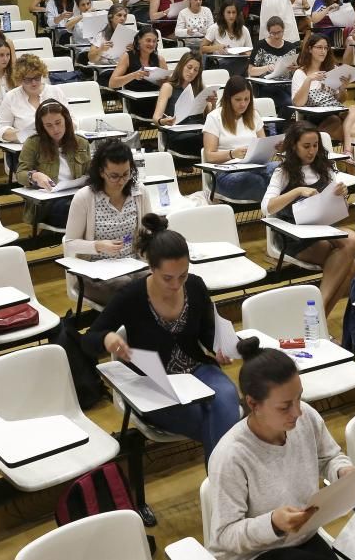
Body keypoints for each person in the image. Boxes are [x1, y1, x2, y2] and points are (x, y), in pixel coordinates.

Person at [85, 213, 240, 461]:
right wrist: (107, 339)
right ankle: (226, 485)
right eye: (168, 278)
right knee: (216, 419)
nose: (177, 284)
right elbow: (90, 339)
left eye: (183, 275)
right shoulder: (131, 297)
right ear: (151, 268)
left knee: (227, 398)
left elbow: (207, 331)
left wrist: (221, 347)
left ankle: (223, 487)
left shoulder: (196, 286)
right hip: (154, 381)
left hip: (196, 368)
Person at [207, 335, 355, 560]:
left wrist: (342, 471)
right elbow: (224, 536)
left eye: (299, 398)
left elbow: (330, 457)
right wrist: (272, 523)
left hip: (301, 537)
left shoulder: (306, 418)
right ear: (253, 404)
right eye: (285, 407)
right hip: (255, 553)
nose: (297, 411)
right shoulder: (231, 455)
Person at [262, 122, 355, 315]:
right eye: (306, 146)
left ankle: (317, 315)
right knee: (352, 262)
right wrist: (298, 191)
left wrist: (341, 195)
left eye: (315, 145)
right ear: (294, 146)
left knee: (353, 253)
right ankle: (318, 314)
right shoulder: (283, 172)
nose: (312, 151)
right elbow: (266, 207)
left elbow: (339, 208)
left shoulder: (325, 168)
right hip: (296, 236)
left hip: (323, 229)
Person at [64, 141, 152, 305]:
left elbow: (148, 233)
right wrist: (98, 246)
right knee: (127, 287)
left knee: (161, 281)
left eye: (126, 174)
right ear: (101, 172)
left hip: (132, 264)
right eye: (114, 176)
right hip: (95, 271)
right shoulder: (85, 197)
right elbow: (70, 243)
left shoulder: (139, 192)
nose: (121, 181)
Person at [202, 75, 281, 201]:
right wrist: (232, 154)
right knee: (255, 180)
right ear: (228, 99)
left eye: (247, 99)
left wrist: (275, 147)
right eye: (238, 99)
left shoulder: (254, 115)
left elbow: (263, 144)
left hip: (256, 166)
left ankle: (281, 204)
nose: (243, 104)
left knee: (284, 169)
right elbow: (210, 156)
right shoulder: (214, 117)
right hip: (227, 173)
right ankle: (283, 205)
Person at [16, 100, 91, 230]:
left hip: (77, 195)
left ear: (66, 121)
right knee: (77, 209)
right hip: (48, 202)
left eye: (58, 123)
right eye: (49, 125)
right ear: (42, 127)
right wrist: (34, 176)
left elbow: (90, 173)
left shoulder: (81, 143)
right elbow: (20, 174)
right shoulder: (33, 143)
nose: (55, 129)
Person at [153, 52, 218, 159]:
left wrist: (213, 104)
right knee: (211, 138)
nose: (191, 72)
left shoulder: (199, 88)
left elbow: (209, 119)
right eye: (189, 67)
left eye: (195, 70)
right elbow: (156, 118)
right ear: (181, 66)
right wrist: (163, 121)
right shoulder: (168, 87)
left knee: (217, 134)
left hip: (198, 131)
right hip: (179, 135)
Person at [0, 53, 68, 144]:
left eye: (37, 78)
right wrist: (21, 134)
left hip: (58, 145)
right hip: (28, 149)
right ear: (19, 79)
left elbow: (72, 121)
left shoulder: (55, 91)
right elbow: (0, 129)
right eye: (28, 79)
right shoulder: (11, 97)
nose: (34, 83)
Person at [291, 34, 350, 143]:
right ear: (310, 49)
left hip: (333, 110)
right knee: (339, 122)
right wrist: (308, 80)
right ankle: (348, 149)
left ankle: (310, 141)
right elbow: (298, 103)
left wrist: (342, 88)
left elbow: (341, 100)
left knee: (353, 112)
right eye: (319, 47)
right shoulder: (300, 73)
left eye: (325, 48)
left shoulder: (333, 69)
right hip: (314, 115)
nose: (323, 51)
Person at [247, 16, 298, 118]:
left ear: (283, 30)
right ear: (268, 32)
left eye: (279, 32)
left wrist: (295, 68)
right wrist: (266, 68)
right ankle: (281, 128)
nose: (276, 36)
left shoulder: (290, 47)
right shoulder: (261, 46)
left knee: (299, 100)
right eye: (273, 33)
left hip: (286, 84)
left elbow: (295, 71)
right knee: (288, 102)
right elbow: (251, 71)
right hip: (267, 87)